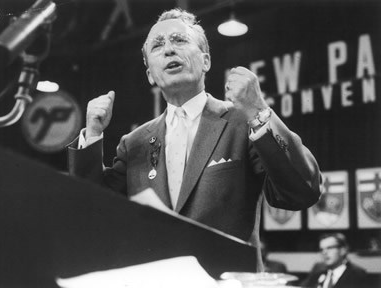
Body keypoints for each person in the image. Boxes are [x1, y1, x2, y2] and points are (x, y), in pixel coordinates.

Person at [67, 8, 321, 270]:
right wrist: (94, 134)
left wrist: (259, 112)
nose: (168, 50)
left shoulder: (241, 122)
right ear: (151, 76)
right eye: (157, 45)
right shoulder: (134, 143)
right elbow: (91, 212)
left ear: (206, 61)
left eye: (179, 40)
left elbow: (302, 192)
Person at [300, 233, 368, 288]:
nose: (324, 252)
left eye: (329, 248)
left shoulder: (358, 274)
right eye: (321, 250)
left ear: (343, 250)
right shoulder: (318, 268)